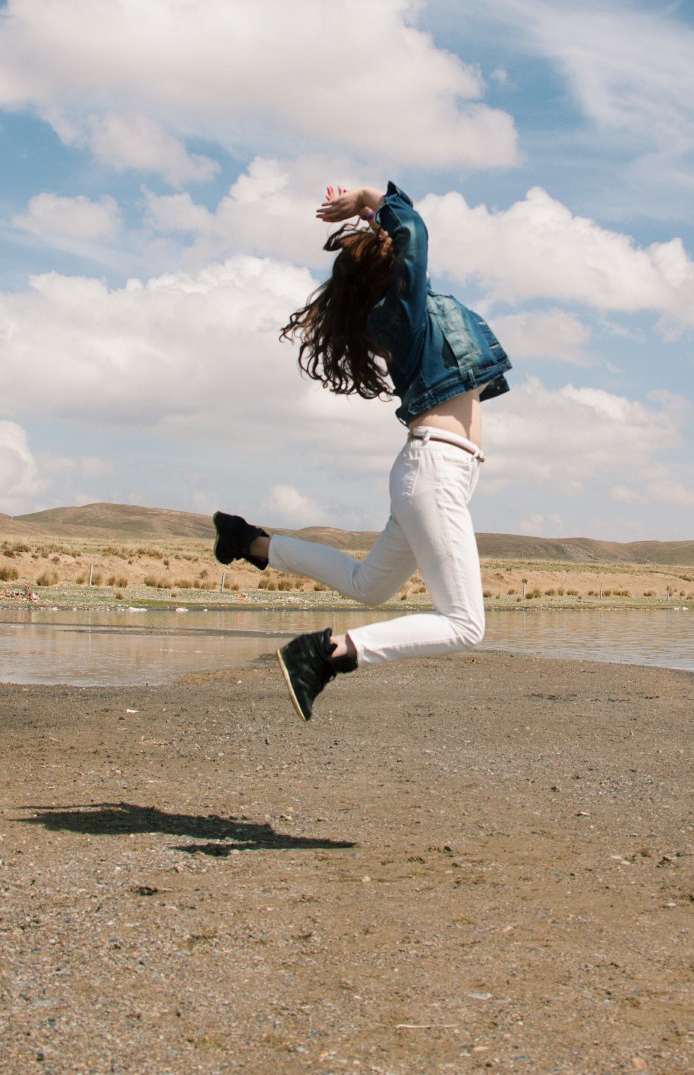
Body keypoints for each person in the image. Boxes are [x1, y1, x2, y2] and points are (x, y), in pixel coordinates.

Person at [213, 182, 512, 721]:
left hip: (432, 471)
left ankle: (249, 542)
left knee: (367, 585)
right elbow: (412, 228)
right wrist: (370, 199)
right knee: (466, 623)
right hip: (434, 469)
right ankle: (326, 656)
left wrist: (373, 215)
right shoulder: (400, 307)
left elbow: (406, 235)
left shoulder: (407, 308)